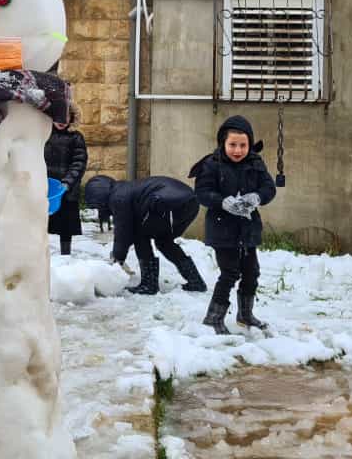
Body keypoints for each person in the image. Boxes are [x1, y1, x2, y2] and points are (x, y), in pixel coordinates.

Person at [189, 116, 277, 335]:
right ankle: (213, 318)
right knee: (229, 273)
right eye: (232, 145)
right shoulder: (211, 164)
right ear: (223, 143)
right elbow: (202, 192)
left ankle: (245, 315)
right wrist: (222, 202)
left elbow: (269, 188)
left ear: (249, 144)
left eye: (243, 145)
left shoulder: (255, 163)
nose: (237, 150)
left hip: (248, 230)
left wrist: (257, 197)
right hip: (222, 229)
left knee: (251, 272)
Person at [83, 175, 206, 295]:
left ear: (99, 197)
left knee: (140, 236)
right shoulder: (123, 189)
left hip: (163, 202)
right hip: (190, 202)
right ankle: (195, 281)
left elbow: (123, 232)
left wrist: (117, 258)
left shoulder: (118, 197)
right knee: (164, 242)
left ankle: (149, 284)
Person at [44, 104, 87, 256]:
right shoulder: (45, 134)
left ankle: (65, 254)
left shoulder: (76, 137)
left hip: (66, 188)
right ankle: (41, 253)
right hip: (46, 186)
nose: (62, 121)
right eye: (59, 117)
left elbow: (79, 163)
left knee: (65, 225)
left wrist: (68, 182)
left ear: (72, 118)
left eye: (66, 117)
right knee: (42, 221)